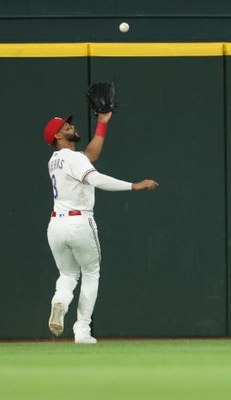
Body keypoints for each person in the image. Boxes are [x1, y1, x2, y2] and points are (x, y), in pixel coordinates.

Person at [42, 111, 158, 344]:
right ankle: (82, 330)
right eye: (66, 126)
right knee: (91, 272)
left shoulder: (55, 160)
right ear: (57, 135)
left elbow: (89, 155)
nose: (71, 126)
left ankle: (60, 301)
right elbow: (96, 178)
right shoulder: (74, 159)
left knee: (67, 273)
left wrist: (102, 125)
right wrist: (133, 186)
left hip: (56, 225)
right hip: (79, 223)